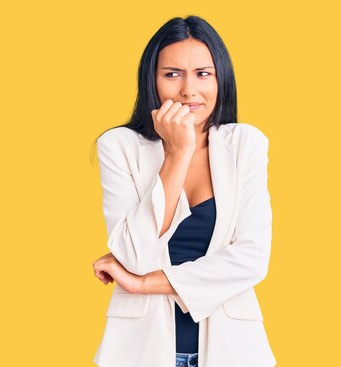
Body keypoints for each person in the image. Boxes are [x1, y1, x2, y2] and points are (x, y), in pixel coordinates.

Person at [91, 15, 276, 367]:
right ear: (153, 80)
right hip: (137, 350)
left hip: (233, 349)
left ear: (221, 79)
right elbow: (133, 255)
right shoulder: (119, 147)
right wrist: (177, 152)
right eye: (172, 74)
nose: (188, 90)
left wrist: (143, 284)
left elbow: (252, 259)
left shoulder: (245, 145)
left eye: (203, 74)